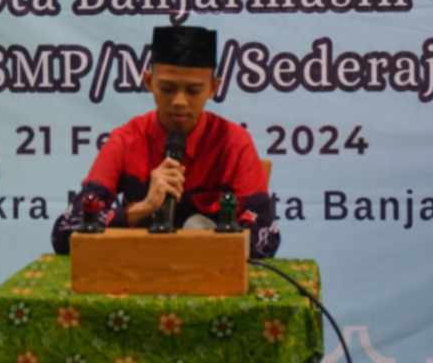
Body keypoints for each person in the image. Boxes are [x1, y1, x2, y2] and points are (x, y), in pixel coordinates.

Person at [51, 25, 280, 258]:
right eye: (167, 89)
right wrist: (143, 208)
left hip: (210, 272)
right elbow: (64, 234)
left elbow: (266, 239)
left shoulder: (233, 142)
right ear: (149, 82)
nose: (179, 101)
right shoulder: (125, 141)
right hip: (138, 269)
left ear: (213, 88)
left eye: (193, 91)